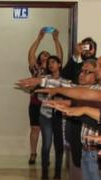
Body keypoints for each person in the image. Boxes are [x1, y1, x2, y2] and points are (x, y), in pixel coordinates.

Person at [27, 30, 63, 165]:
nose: (46, 55)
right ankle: (33, 153)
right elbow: (31, 54)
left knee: (48, 131)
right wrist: (39, 38)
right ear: (40, 58)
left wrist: (56, 40)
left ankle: (46, 156)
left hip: (50, 103)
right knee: (35, 128)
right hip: (36, 103)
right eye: (43, 54)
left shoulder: (52, 70)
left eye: (48, 54)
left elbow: (60, 56)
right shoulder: (35, 69)